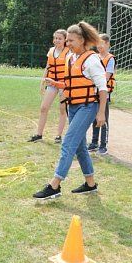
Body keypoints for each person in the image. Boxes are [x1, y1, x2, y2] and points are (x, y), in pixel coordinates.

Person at [33, 22, 108, 200]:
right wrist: (56, 84)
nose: (68, 44)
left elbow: (103, 88)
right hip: (73, 106)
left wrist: (101, 113)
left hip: (88, 107)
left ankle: (54, 185)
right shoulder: (70, 58)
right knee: (80, 147)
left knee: (68, 143)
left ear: (82, 40)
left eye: (71, 41)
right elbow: (72, 83)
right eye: (67, 41)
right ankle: (91, 184)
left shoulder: (91, 59)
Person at [28, 29, 69, 144]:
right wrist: (42, 81)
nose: (57, 40)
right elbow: (47, 67)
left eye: (60, 38)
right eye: (55, 38)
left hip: (63, 84)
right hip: (51, 83)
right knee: (44, 108)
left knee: (62, 109)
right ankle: (39, 134)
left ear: (65, 40)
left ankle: (58, 135)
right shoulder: (51, 51)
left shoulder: (68, 52)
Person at [88, 34, 116, 155]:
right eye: (97, 44)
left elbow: (106, 76)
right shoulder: (95, 57)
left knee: (103, 117)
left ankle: (103, 144)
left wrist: (95, 80)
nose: (99, 46)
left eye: (102, 44)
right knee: (95, 117)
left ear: (107, 44)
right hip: (94, 91)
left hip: (104, 91)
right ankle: (94, 142)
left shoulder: (110, 59)